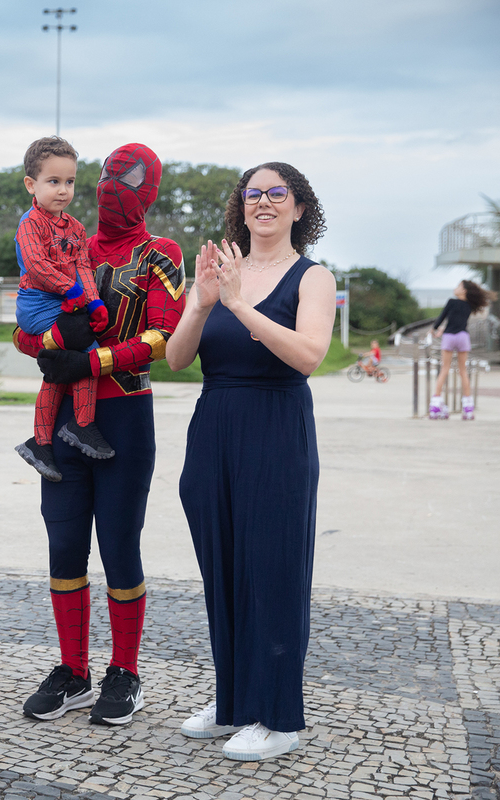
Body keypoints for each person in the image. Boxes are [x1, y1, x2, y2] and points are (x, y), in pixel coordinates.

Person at [166, 162, 335, 761]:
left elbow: (308, 355)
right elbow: (180, 359)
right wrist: (202, 301)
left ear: (298, 207)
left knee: (273, 570)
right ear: (241, 205)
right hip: (214, 426)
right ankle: (235, 701)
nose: (263, 202)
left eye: (277, 194)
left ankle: (280, 716)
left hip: (275, 427)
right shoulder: (217, 271)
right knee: (224, 569)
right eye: (253, 193)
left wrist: (238, 306)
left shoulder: (312, 277)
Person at [15, 143, 185, 725]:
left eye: (130, 178)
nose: (116, 186)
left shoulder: (161, 253)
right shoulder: (70, 243)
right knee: (63, 546)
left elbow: (164, 336)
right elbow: (23, 327)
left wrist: (90, 362)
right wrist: (49, 343)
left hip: (124, 413)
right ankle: (74, 670)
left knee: (119, 547)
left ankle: (125, 672)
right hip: (65, 414)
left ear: (150, 188)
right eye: (110, 175)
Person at [12, 136, 111, 482]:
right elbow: (37, 265)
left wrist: (93, 300)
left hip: (63, 298)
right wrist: (70, 290)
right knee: (85, 349)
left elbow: (83, 267)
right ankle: (80, 425)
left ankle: (41, 441)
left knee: (64, 364)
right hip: (37, 302)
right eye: (53, 181)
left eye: (69, 182)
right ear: (31, 184)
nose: (63, 190)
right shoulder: (30, 223)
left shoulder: (76, 227)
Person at [429, 280, 495, 420]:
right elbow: (458, 321)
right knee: (463, 371)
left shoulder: (451, 302)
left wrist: (435, 329)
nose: (456, 288)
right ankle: (468, 408)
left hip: (449, 337)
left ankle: (435, 405)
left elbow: (442, 318)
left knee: (444, 369)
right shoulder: (469, 305)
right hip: (463, 337)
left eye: (459, 286)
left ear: (464, 290)